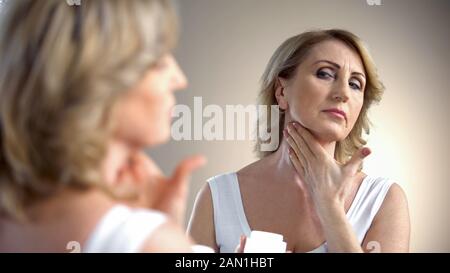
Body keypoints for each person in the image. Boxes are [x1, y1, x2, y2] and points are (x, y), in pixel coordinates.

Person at [0, 0, 205, 252]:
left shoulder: (11, 220)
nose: (179, 79)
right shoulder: (149, 241)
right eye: (159, 61)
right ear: (97, 78)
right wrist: (162, 234)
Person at [188, 29, 411, 253]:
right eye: (325, 74)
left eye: (355, 84)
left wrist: (330, 205)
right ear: (282, 92)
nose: (343, 93)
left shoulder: (383, 200)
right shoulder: (217, 197)